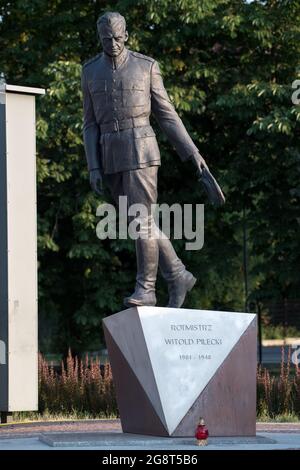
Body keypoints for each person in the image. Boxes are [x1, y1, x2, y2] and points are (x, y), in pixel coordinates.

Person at [81, 11, 222, 308]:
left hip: (141, 149)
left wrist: (192, 152)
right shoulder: (90, 71)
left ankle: (146, 289)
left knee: (141, 220)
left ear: (127, 36)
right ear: (100, 39)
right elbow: (89, 123)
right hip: (109, 154)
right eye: (107, 40)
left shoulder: (146, 67)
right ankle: (177, 274)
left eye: (118, 38)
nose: (113, 44)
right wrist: (93, 165)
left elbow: (167, 115)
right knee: (138, 222)